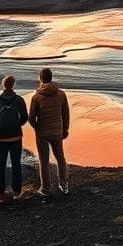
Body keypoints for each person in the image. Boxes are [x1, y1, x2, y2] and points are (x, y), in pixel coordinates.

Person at [28, 67, 70, 196]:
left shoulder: (36, 97)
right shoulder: (61, 94)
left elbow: (31, 118)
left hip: (42, 133)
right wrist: (65, 128)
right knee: (60, 158)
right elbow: (65, 113)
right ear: (51, 78)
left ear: (40, 79)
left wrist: (36, 127)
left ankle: (46, 188)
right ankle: (64, 185)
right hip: (57, 130)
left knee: (43, 160)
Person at [0, 74, 28, 203]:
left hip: (0, 138)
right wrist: (16, 124)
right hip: (16, 136)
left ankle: (0, 194)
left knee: (0, 165)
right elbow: (24, 118)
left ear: (3, 85)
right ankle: (17, 192)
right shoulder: (19, 100)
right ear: (13, 85)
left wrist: (0, 126)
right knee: (16, 164)